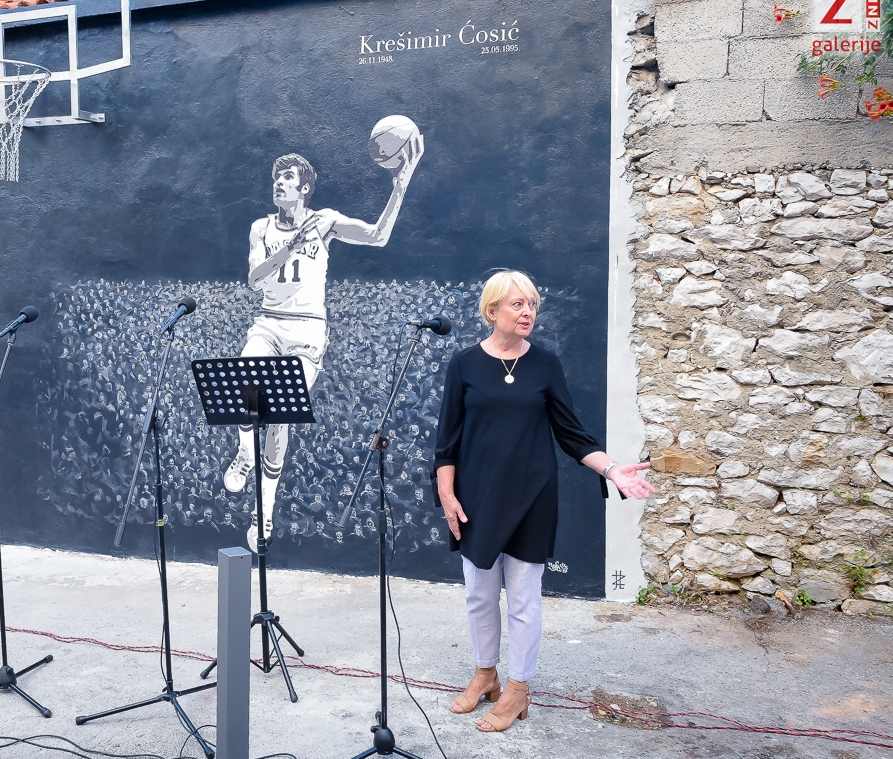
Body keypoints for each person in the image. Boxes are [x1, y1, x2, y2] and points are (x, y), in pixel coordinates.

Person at [434, 269, 654, 733]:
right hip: (476, 498)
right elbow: (446, 441)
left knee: (523, 598)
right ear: (492, 310)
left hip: (532, 498)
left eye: (532, 304)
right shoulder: (464, 364)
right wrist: (447, 496)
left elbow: (572, 434)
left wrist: (612, 469)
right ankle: (485, 674)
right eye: (517, 304)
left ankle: (517, 688)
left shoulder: (545, 364)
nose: (527, 312)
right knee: (478, 595)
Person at [224, 140, 425, 552]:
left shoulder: (325, 221)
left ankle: (263, 511)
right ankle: (244, 453)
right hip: (269, 322)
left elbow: (377, 237)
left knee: (279, 416)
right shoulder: (261, 228)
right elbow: (254, 280)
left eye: (288, 177)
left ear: (304, 188)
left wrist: (400, 185)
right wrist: (290, 247)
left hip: (308, 331)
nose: (279, 182)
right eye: (277, 177)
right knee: (246, 377)